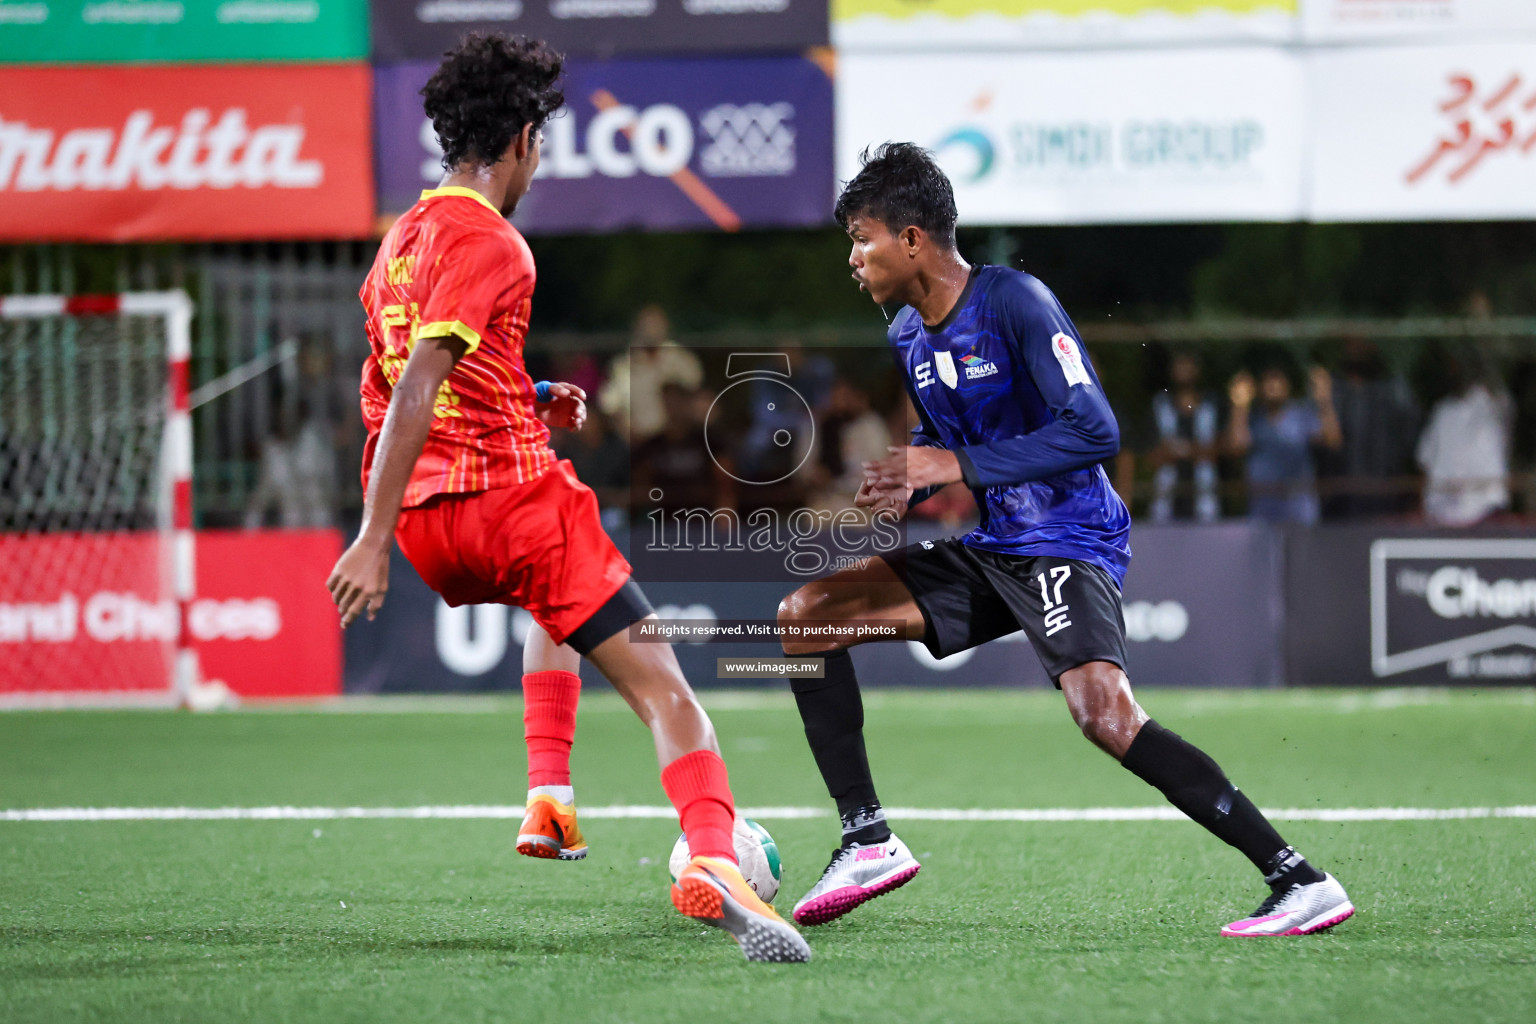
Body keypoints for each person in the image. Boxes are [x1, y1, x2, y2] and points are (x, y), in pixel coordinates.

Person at [774, 142, 1353, 938]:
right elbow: (946, 433)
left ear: (912, 240)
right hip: (1001, 540)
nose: (853, 257)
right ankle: (866, 838)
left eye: (862, 237)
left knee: (1103, 714)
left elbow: (1096, 429)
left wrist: (958, 462)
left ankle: (1299, 879)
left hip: (1069, 535)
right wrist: (917, 471)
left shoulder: (1015, 301)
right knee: (809, 613)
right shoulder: (908, 335)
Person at [324, 33, 809, 963]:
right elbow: (423, 381)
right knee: (668, 692)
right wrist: (365, 537)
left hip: (436, 530)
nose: (539, 161)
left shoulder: (400, 244)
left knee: (552, 601)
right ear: (520, 139)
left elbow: (390, 380)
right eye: (538, 142)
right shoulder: (493, 241)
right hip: (505, 506)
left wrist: (527, 399)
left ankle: (550, 793)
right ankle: (716, 855)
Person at [1225, 364, 1342, 525]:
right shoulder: (1252, 419)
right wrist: (1239, 405)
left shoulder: (1302, 414)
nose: (1273, 385)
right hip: (1262, 513)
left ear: (1288, 384)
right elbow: (1235, 447)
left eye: (1277, 378)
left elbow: (1332, 441)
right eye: (1267, 380)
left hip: (1300, 512)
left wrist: (1324, 399)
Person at [1147, 352, 1221, 523]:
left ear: (1197, 371)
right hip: (1165, 503)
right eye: (1180, 366)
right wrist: (1197, 450)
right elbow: (1152, 454)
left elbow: (1220, 451)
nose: (1184, 371)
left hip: (1205, 501)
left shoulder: (1211, 404)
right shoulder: (1159, 404)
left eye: (1189, 366)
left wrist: (1182, 450)